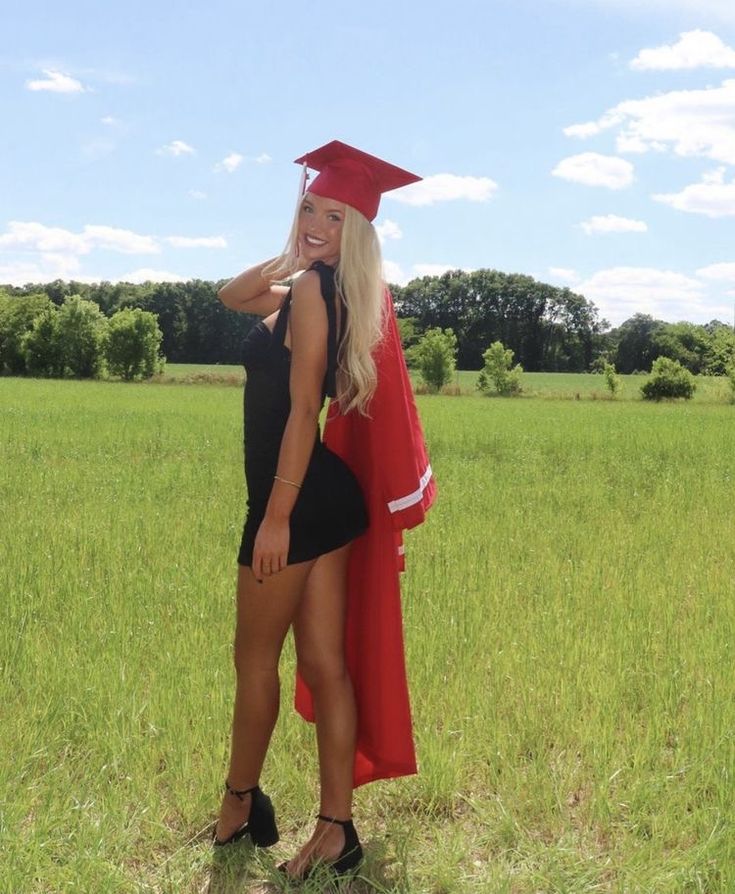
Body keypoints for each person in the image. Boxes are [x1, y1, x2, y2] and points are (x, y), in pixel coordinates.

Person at [213, 140, 435, 880]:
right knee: (326, 665)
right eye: (310, 206)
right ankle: (336, 827)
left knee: (254, 663)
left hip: (295, 498)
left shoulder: (314, 292)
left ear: (359, 234)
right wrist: (294, 250)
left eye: (334, 217)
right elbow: (231, 295)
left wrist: (276, 519)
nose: (315, 222)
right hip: (325, 498)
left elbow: (304, 406)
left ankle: (238, 808)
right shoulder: (321, 286)